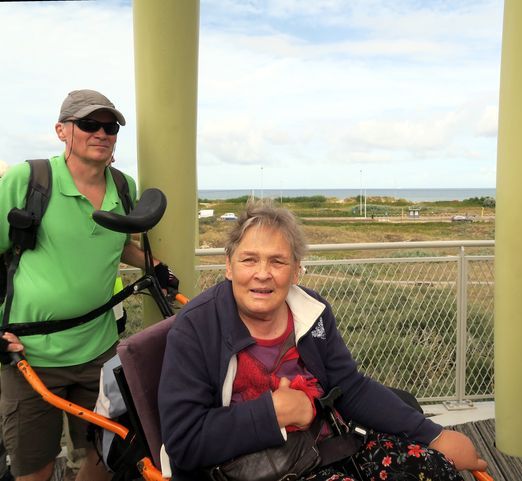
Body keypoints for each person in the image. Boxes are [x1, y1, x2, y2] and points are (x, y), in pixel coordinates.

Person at [158, 201, 487, 481]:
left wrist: (434, 435)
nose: (262, 273)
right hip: (256, 468)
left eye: (277, 261)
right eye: (249, 259)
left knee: (437, 469)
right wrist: (272, 413)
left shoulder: (311, 311)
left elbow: (351, 387)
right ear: (228, 266)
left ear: (296, 271)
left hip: (330, 445)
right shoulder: (197, 328)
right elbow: (183, 442)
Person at [0, 89, 176, 481]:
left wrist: (155, 266)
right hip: (29, 353)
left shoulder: (124, 187)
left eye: (109, 126)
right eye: (89, 124)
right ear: (62, 130)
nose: (101, 133)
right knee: (34, 466)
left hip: (98, 351)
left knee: (109, 454)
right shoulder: (28, 180)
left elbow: (118, 241)